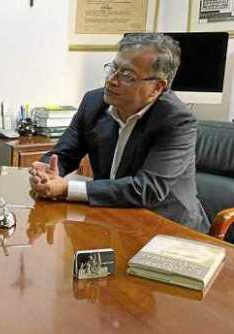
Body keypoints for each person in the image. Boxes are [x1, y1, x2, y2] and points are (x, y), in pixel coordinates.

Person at [29, 33, 210, 233]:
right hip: (113, 218)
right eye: (113, 68)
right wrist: (45, 173)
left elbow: (147, 189)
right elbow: (63, 154)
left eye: (127, 76)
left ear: (157, 87)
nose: (112, 80)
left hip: (168, 229)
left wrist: (67, 188)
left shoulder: (177, 121)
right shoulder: (93, 103)